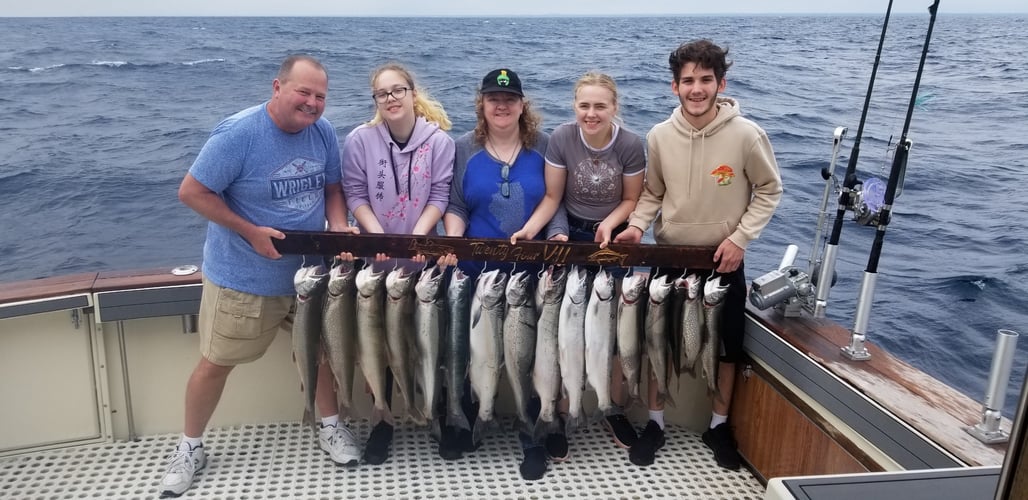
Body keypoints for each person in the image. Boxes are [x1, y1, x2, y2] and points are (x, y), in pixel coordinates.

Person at [161, 55, 358, 498]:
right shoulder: (240, 134)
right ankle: (190, 447)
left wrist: (340, 227)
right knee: (216, 364)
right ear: (277, 87)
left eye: (320, 96)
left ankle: (330, 426)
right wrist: (249, 232)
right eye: (303, 92)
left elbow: (331, 189)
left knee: (321, 354)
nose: (312, 104)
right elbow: (191, 191)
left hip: (310, 275)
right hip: (244, 278)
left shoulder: (323, 133)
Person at [613, 39, 783, 469]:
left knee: (726, 351)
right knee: (658, 345)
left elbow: (769, 190)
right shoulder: (659, 135)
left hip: (724, 261)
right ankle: (655, 422)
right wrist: (635, 227)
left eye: (705, 79)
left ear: (720, 83)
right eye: (687, 80)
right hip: (670, 260)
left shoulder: (747, 134)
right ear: (674, 86)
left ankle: (718, 426)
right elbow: (653, 193)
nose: (696, 88)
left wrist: (740, 239)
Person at [442, 68, 567, 480]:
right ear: (481, 103)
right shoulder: (463, 148)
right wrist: (454, 242)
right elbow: (456, 204)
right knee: (472, 351)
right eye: (493, 98)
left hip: (530, 277)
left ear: (522, 105)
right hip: (475, 275)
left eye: (510, 99)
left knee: (529, 356)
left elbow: (555, 199)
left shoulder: (546, 147)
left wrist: (559, 234)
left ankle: (533, 431)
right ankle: (466, 416)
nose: (501, 105)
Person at [509, 71, 645, 450]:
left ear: (614, 107)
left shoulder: (631, 144)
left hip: (612, 236)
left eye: (600, 105)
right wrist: (539, 230)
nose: (591, 113)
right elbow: (553, 197)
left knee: (613, 331)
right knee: (566, 332)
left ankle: (613, 408)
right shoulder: (563, 138)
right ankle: (562, 414)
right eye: (584, 105)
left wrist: (611, 225)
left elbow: (632, 200)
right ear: (574, 106)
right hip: (569, 233)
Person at [340, 62, 455, 465]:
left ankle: (436, 413)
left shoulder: (440, 141)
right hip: (377, 262)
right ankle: (382, 418)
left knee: (428, 341)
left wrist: (417, 239)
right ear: (375, 100)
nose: (391, 98)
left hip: (423, 263)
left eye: (397, 90)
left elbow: (439, 195)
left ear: (412, 92)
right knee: (379, 344)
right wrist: (379, 238)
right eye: (382, 93)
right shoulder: (360, 140)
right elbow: (355, 194)